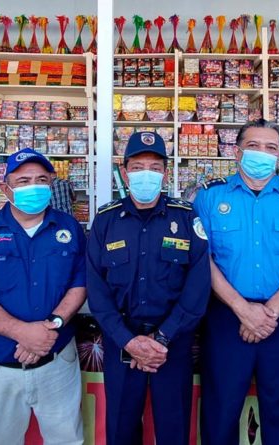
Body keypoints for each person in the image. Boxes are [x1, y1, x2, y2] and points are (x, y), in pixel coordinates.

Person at [193, 119, 279, 445]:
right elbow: (203, 259)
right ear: (237, 151)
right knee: (220, 410)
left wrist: (268, 312)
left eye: (271, 148)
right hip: (226, 316)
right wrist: (242, 309)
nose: (262, 153)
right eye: (254, 146)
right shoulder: (211, 196)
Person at [0, 148, 86, 445]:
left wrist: (49, 327)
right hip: (0, 363)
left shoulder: (69, 228)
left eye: (41, 179)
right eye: (23, 180)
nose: (33, 187)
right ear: (6, 188)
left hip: (57, 359)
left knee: (66, 439)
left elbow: (80, 283)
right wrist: (23, 333)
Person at [87, 131, 211, 444]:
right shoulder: (105, 219)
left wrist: (162, 338)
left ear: (166, 174)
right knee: (121, 428)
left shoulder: (186, 217)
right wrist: (128, 341)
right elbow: (96, 289)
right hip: (121, 341)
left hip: (173, 343)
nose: (147, 174)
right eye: (138, 166)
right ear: (125, 172)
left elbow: (197, 286)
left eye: (155, 168)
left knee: (173, 428)